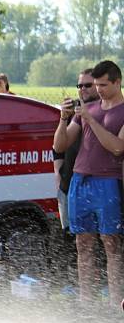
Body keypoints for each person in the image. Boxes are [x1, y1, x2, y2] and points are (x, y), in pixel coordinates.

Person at [53, 60, 124, 307]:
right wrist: (63, 119)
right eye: (96, 85)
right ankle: (87, 301)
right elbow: (60, 145)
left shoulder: (122, 110)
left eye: (103, 85)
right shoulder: (88, 109)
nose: (99, 90)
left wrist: (91, 121)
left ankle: (116, 303)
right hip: (80, 180)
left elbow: (118, 147)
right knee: (82, 242)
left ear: (117, 82)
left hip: (109, 181)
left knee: (110, 241)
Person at [53, 69, 99, 233]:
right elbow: (57, 148)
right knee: (73, 238)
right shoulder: (74, 110)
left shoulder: (107, 111)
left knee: (106, 240)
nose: (82, 89)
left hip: (100, 185)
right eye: (79, 85)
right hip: (70, 185)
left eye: (88, 85)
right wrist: (58, 173)